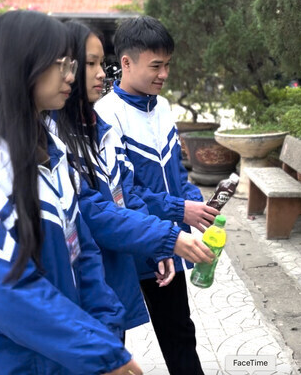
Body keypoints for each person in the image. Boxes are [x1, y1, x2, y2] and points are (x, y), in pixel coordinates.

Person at [0, 10, 142, 375]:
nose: (70, 75)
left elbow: (82, 251)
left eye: (70, 63)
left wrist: (107, 333)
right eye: (59, 63)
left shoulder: (52, 149)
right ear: (22, 66)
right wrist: (100, 354)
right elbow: (5, 288)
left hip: (65, 363)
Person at [50, 21, 214, 338]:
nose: (101, 73)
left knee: (178, 330)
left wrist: (166, 237)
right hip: (96, 266)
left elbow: (123, 192)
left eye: (101, 63)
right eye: (90, 64)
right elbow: (96, 210)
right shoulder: (88, 123)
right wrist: (171, 226)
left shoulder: (97, 126)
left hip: (127, 253)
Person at [94, 16, 219, 375]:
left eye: (167, 65)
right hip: (129, 244)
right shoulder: (106, 115)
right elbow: (123, 192)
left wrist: (197, 203)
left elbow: (176, 172)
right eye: (156, 66)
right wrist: (181, 209)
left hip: (168, 243)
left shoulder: (161, 107)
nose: (163, 74)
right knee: (114, 342)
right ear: (126, 63)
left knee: (179, 331)